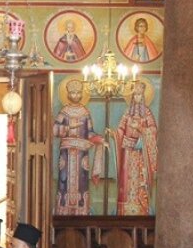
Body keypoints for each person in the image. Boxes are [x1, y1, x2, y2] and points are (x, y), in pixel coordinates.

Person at [54, 80, 104, 214]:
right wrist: (68, 127)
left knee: (81, 180)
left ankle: (81, 212)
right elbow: (54, 130)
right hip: (66, 154)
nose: (75, 95)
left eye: (78, 93)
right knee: (64, 180)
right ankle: (63, 211)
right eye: (73, 93)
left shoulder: (85, 112)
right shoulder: (64, 111)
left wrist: (99, 139)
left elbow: (90, 133)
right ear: (68, 94)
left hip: (82, 154)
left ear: (82, 94)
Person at [113, 81, 158, 216]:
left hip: (140, 151)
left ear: (143, 96)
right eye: (135, 95)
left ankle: (141, 209)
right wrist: (114, 134)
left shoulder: (147, 113)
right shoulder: (127, 113)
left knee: (140, 180)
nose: (137, 97)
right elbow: (121, 129)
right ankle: (125, 210)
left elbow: (153, 130)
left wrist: (139, 128)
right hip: (127, 151)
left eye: (139, 95)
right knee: (126, 179)